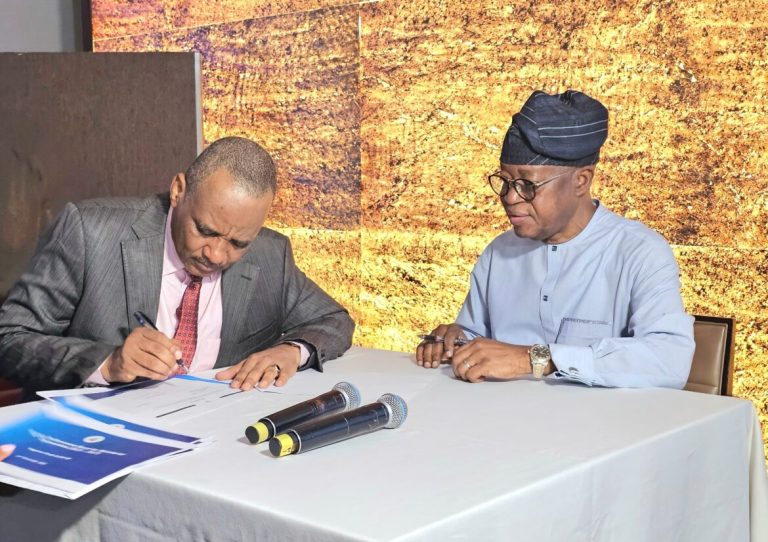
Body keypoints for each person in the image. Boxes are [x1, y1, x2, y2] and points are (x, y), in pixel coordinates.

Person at [0, 137, 354, 395]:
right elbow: (10, 338)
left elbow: (334, 320)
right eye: (205, 230)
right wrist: (109, 363)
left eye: (238, 243)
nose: (216, 255)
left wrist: (291, 351)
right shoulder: (90, 231)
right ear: (178, 190)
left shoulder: (271, 254)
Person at [416, 90, 694, 388]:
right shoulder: (499, 251)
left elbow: (670, 361)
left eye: (527, 185)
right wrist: (456, 340)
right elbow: (476, 335)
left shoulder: (639, 251)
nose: (510, 197)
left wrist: (536, 358)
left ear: (581, 181)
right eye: (505, 182)